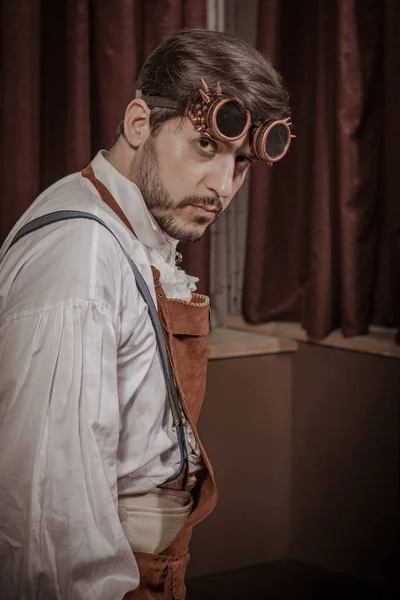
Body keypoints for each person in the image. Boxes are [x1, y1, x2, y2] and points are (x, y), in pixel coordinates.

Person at [0, 28, 291, 600]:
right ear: (140, 124)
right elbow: (50, 524)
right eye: (205, 146)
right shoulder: (79, 255)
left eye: (241, 164)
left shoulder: (129, 229)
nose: (222, 186)